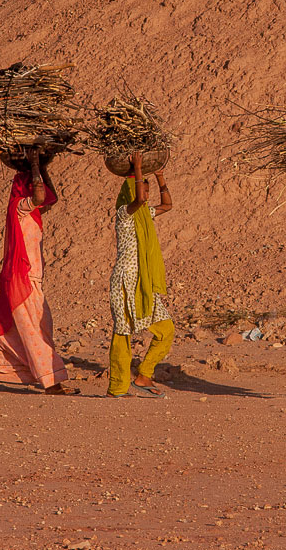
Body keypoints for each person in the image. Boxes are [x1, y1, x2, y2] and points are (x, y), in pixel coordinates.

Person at [0, 147, 78, 395]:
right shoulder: (20, 207)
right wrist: (34, 164)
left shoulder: (32, 213)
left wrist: (43, 168)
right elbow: (38, 197)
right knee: (36, 329)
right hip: (22, 280)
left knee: (12, 330)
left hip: (28, 280)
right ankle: (52, 383)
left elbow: (50, 198)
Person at [106, 151, 175, 398]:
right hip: (125, 282)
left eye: (147, 190)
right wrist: (137, 168)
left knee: (166, 330)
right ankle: (117, 388)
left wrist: (159, 176)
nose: (146, 194)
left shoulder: (145, 215)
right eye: (143, 190)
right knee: (122, 334)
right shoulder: (125, 213)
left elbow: (167, 205)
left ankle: (144, 374)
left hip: (143, 284)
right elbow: (137, 199)